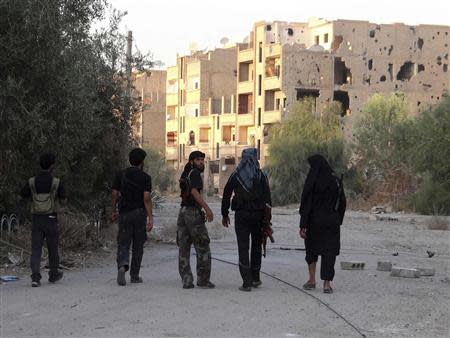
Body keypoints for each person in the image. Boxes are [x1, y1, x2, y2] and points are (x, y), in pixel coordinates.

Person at [221, 148, 272, 292]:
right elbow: (268, 200)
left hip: (241, 216)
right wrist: (267, 220)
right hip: (258, 216)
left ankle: (246, 282)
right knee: (256, 246)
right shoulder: (261, 175)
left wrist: (225, 214)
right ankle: (255, 278)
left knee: (243, 247)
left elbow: (226, 193)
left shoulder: (236, 175)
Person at [299, 154, 346, 294]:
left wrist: (303, 225)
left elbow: (306, 205)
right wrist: (338, 220)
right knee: (329, 252)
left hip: (314, 223)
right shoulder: (336, 181)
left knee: (312, 251)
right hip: (332, 223)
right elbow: (343, 203)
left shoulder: (312, 181)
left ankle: (312, 280)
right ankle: (327, 284)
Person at [20, 153, 66, 287]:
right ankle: (53, 275)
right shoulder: (56, 182)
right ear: (52, 166)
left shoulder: (32, 182)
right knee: (53, 248)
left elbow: (23, 195)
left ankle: (35, 277)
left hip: (37, 219)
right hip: (51, 218)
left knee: (36, 249)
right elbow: (63, 200)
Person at [112, 148, 153, 286]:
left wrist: (113, 210)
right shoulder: (145, 177)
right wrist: (150, 218)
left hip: (124, 213)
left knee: (123, 242)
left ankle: (122, 265)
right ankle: (134, 275)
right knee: (138, 245)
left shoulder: (120, 174)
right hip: (139, 214)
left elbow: (114, 194)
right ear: (142, 162)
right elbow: (146, 198)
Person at [177, 150, 215, 289]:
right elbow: (194, 192)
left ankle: (187, 280)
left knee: (184, 247)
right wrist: (206, 208)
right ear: (192, 161)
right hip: (191, 211)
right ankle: (203, 280)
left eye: (202, 160)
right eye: (198, 160)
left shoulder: (185, 173)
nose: (201, 162)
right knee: (203, 246)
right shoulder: (194, 174)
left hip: (183, 212)